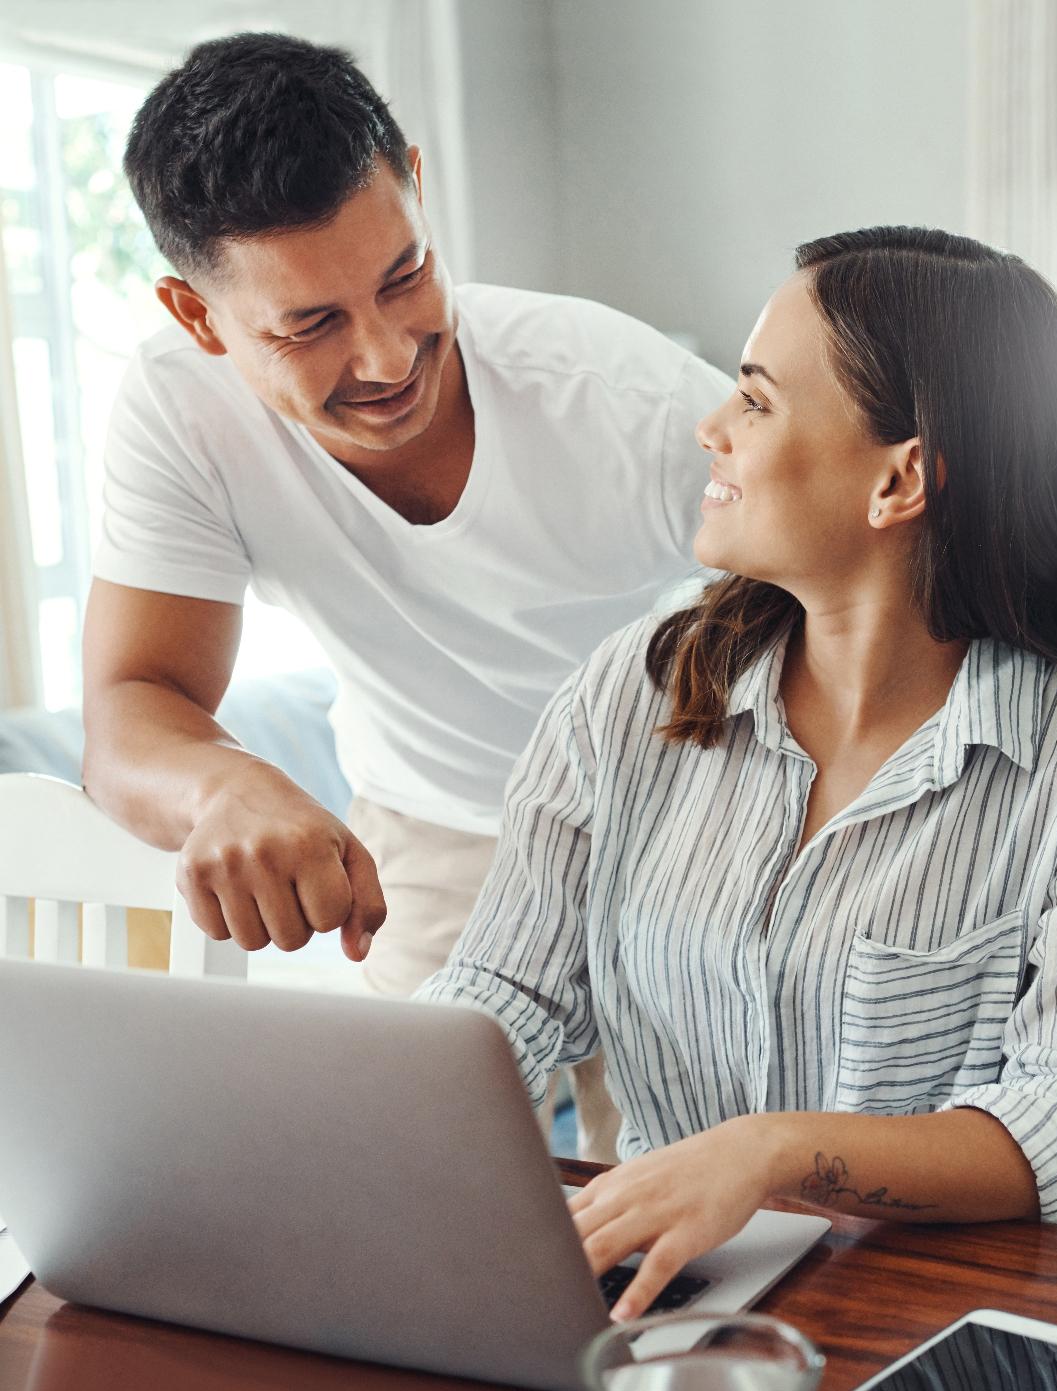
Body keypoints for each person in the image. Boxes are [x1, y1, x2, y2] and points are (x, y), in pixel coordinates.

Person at [417, 226, 1057, 1319]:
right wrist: (368, 1106)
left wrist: (772, 1155)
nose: (709, 427)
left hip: (953, 1326)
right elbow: (506, 988)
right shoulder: (641, 682)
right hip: (667, 1311)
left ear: (900, 477)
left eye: (757, 401)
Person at [80, 32, 731, 1164]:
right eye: (310, 324)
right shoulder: (178, 411)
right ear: (197, 318)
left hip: (678, 837)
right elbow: (133, 703)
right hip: (429, 836)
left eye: (404, 276)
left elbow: (862, 593)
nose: (388, 357)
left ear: (416, 189)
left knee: (715, 1215)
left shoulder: (616, 391)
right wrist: (225, 786)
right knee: (420, 1200)